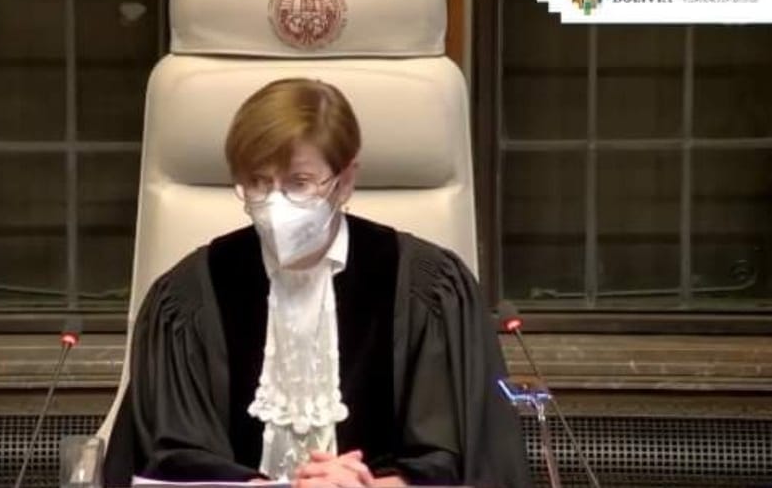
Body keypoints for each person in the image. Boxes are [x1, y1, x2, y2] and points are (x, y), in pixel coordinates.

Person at [103, 78, 532, 488]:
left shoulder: (427, 288)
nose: (275, 204)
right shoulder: (189, 297)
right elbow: (169, 456)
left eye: (299, 183)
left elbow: (462, 458)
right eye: (258, 183)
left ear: (344, 182)